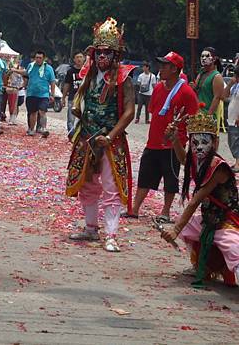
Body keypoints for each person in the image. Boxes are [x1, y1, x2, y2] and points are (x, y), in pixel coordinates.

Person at [66, 17, 135, 252]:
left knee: (111, 187)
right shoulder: (88, 74)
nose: (102, 57)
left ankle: (112, 235)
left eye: (107, 53)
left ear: (116, 55)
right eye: (99, 53)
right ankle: (91, 228)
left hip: (110, 139)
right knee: (86, 185)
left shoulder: (125, 77)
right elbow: (80, 104)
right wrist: (77, 128)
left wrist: (112, 135)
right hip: (87, 137)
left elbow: (129, 112)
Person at [161, 110, 239, 287]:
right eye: (195, 143)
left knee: (234, 249)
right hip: (209, 217)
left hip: (228, 220)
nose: (199, 147)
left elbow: (195, 200)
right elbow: (184, 160)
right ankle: (201, 267)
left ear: (215, 143)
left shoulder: (217, 166)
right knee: (189, 229)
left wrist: (175, 229)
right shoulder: (197, 158)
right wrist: (174, 140)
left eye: (205, 142)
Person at [125, 52, 199, 221]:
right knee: (145, 175)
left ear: (174, 69)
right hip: (153, 140)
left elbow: (194, 117)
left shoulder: (186, 92)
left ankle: (165, 212)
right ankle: (134, 208)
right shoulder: (158, 87)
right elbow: (153, 110)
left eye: (165, 65)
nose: (161, 68)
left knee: (170, 177)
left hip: (173, 143)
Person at [13, 51, 56, 137]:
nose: (38, 59)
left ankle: (43, 128)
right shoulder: (31, 66)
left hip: (43, 94)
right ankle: (31, 129)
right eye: (37, 58)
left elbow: (52, 82)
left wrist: (52, 94)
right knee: (33, 112)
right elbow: (26, 73)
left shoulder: (48, 68)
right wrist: (15, 70)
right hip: (31, 93)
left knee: (42, 111)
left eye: (40, 58)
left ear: (44, 59)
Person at [193, 47, 225, 121]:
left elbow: (217, 98)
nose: (204, 58)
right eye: (202, 56)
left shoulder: (216, 76)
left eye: (207, 56)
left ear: (214, 59)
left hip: (207, 116)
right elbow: (196, 90)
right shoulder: (201, 73)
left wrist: (208, 116)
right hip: (197, 114)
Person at [62, 51, 85, 134]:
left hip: (84, 98)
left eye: (80, 57)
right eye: (77, 57)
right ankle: (71, 134)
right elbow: (67, 85)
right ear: (74, 59)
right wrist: (63, 98)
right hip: (73, 97)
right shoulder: (70, 71)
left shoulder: (88, 70)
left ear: (84, 58)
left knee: (84, 117)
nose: (79, 59)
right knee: (71, 118)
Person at [224, 66, 239, 172]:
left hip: (237, 118)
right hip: (232, 118)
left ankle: (238, 163)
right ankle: (237, 162)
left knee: (236, 141)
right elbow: (224, 95)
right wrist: (229, 84)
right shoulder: (236, 86)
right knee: (232, 141)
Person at [5, 58, 24, 125]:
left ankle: (14, 118)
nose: (18, 62)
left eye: (19, 61)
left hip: (20, 90)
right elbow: (6, 76)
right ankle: (12, 118)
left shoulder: (22, 70)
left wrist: (23, 85)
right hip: (12, 88)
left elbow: (25, 78)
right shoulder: (11, 69)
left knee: (16, 104)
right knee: (12, 104)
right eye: (17, 61)